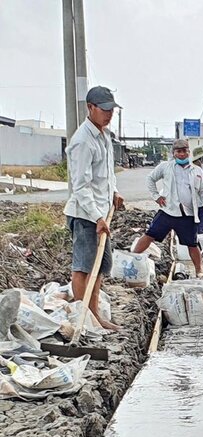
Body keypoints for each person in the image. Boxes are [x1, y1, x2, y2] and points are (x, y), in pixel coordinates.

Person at [64, 85, 125, 331]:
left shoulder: (104, 136)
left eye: (112, 110)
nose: (109, 115)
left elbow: (105, 175)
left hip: (100, 214)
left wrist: (114, 192)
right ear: (90, 108)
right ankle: (84, 319)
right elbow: (80, 186)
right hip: (86, 215)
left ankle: (94, 314)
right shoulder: (83, 141)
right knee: (84, 266)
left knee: (100, 265)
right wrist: (97, 216)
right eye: (104, 110)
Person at [133, 139, 203, 278]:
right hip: (168, 211)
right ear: (174, 153)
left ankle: (199, 270)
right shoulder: (166, 167)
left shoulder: (197, 171)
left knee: (192, 243)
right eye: (179, 151)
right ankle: (133, 258)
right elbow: (150, 179)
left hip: (187, 214)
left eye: (185, 151)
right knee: (150, 235)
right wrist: (156, 196)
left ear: (189, 152)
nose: (182, 154)